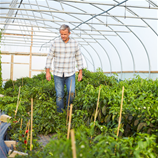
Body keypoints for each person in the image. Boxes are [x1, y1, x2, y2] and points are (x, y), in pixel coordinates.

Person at [45, 24, 84, 112]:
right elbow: (49, 57)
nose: (63, 36)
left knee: (72, 93)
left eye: (65, 34)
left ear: (69, 33)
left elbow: (79, 58)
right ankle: (60, 114)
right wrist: (47, 72)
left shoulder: (75, 43)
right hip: (58, 74)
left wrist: (80, 72)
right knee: (59, 95)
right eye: (61, 34)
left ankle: (68, 111)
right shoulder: (55, 43)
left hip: (70, 73)